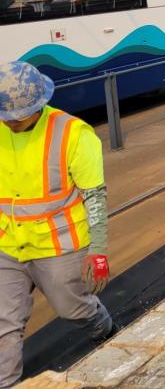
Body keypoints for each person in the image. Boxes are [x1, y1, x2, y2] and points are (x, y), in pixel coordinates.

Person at [0, 62, 114, 387]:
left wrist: (100, 251)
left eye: (15, 115)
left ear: (37, 106)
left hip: (58, 246)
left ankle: (103, 328)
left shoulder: (73, 134)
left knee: (73, 309)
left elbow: (94, 196)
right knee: (4, 324)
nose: (8, 120)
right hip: (8, 246)